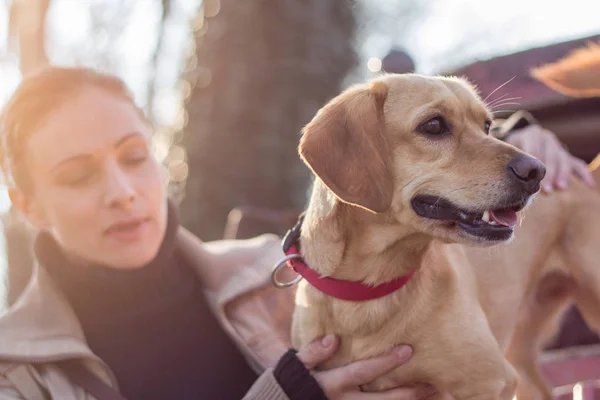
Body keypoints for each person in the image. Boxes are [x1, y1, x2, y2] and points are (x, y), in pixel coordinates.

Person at [0, 66, 592, 400]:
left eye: (133, 157)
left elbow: (375, 178)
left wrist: (521, 138)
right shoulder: (17, 374)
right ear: (26, 205)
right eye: (77, 176)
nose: (122, 192)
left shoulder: (273, 274)